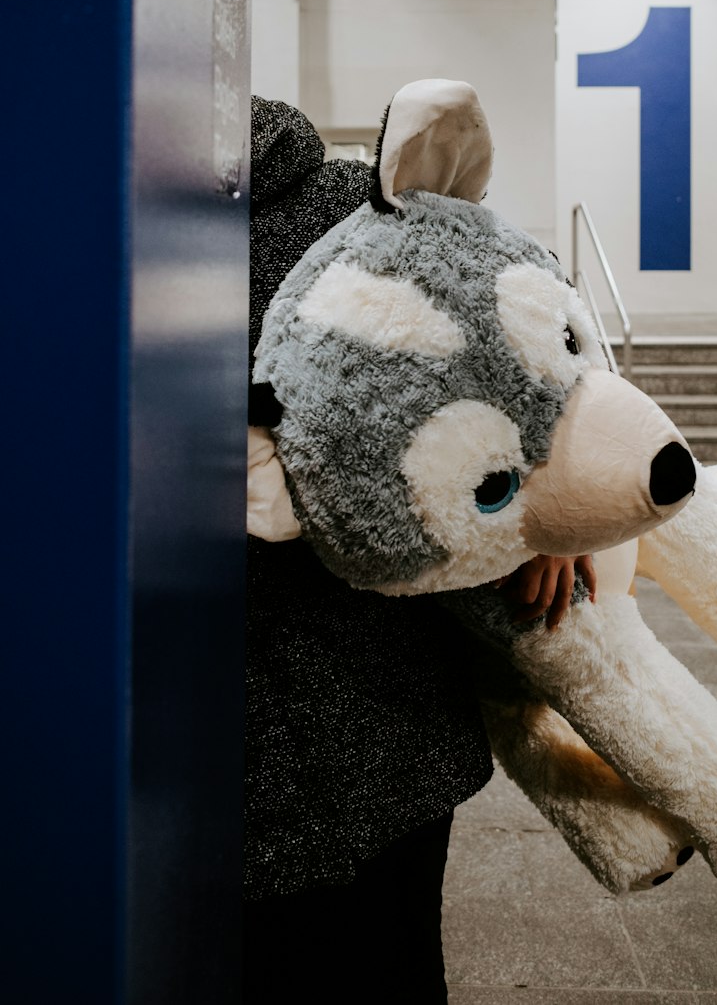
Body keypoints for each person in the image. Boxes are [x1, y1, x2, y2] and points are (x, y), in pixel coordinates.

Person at [244, 95, 595, 1003]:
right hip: (290, 722)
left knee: (378, 954)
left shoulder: (349, 210)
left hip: (371, 696)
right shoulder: (117, 234)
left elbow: (529, 334)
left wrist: (547, 502)